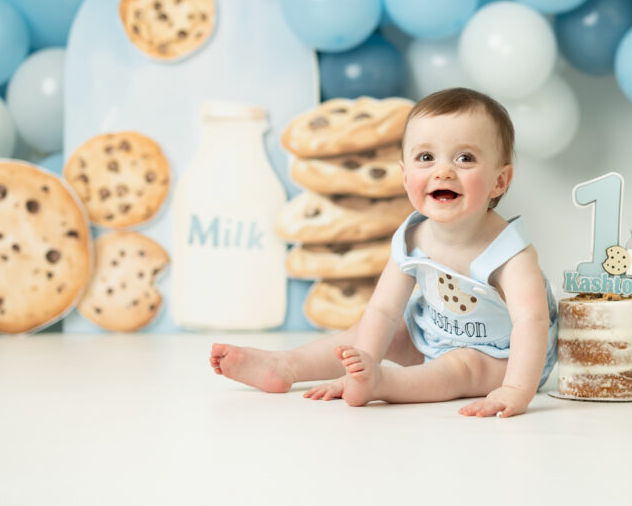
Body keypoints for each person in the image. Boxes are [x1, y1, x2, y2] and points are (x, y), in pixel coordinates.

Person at [209, 87, 558, 418]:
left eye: (465, 158)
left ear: (499, 181)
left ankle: (383, 384)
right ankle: (286, 365)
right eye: (426, 157)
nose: (443, 170)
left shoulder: (510, 252)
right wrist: (364, 359)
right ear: (405, 176)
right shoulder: (412, 236)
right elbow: (383, 310)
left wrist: (516, 388)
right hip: (430, 332)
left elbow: (531, 322)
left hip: (502, 356)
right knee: (366, 331)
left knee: (460, 366)